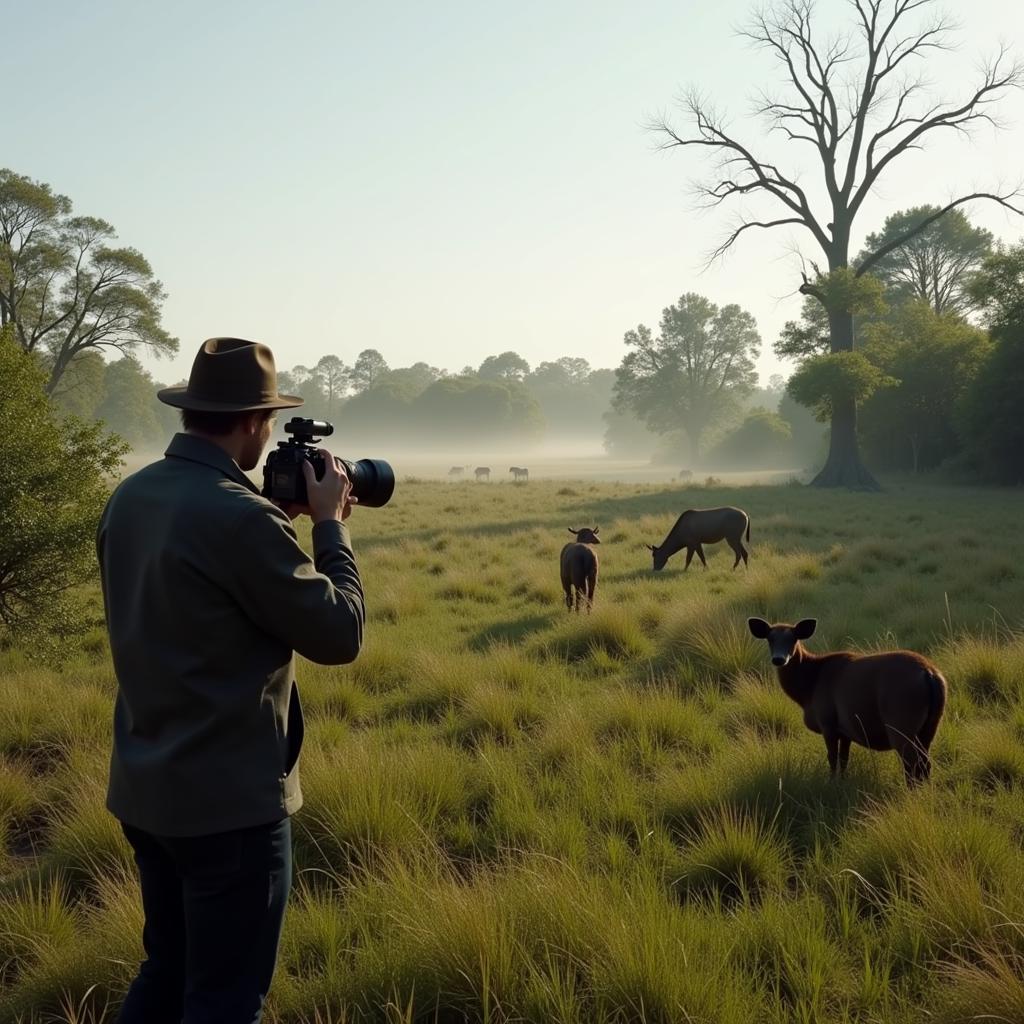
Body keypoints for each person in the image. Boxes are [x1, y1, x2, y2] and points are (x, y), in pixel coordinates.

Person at [96, 337, 365, 1024]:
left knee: (168, 970)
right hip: (229, 807)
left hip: (145, 787)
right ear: (251, 422)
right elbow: (339, 635)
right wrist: (329, 529)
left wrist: (280, 525)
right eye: (269, 422)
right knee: (223, 1000)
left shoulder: (132, 495)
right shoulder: (242, 517)